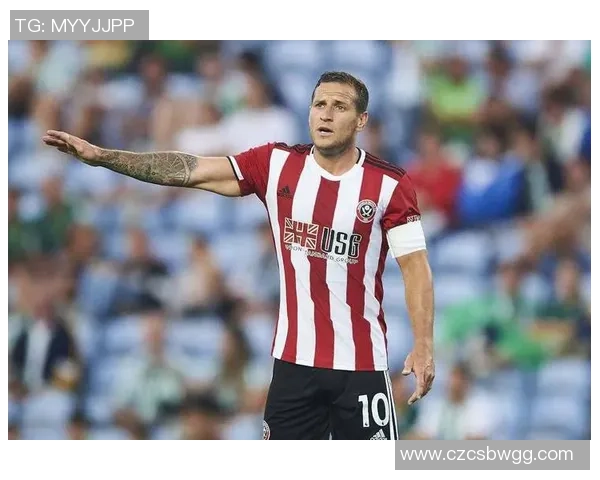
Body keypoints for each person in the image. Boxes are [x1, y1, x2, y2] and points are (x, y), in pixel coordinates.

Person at [42, 71, 435, 440]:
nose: (326, 115)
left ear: (361, 120)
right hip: (294, 365)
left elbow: (416, 268)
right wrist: (105, 157)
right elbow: (191, 169)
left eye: (340, 106)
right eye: (319, 104)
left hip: (361, 365)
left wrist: (423, 345)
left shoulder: (389, 184)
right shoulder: (277, 165)